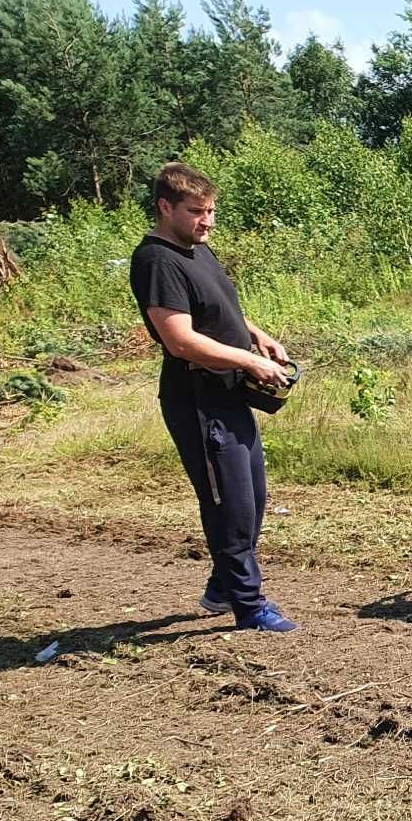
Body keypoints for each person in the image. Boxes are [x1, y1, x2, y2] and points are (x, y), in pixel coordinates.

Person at [128, 162, 298, 632]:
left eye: (211, 211)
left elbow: (215, 309)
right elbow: (179, 339)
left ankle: (222, 585)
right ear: (166, 207)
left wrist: (256, 336)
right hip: (198, 402)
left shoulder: (196, 250)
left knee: (254, 499)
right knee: (230, 506)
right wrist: (248, 362)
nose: (208, 221)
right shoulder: (157, 261)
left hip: (228, 396)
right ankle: (248, 606)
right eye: (197, 211)